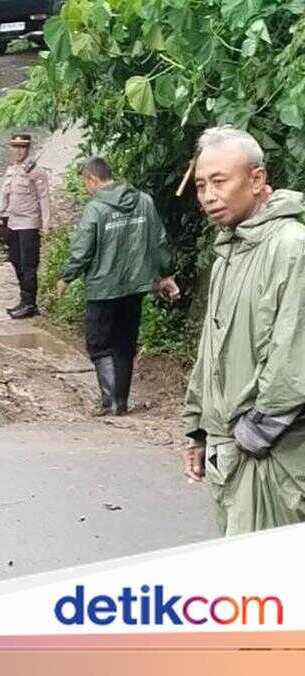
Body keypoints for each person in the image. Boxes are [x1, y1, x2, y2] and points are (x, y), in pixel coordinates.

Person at [180, 126, 305, 535]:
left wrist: (254, 434)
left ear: (256, 179)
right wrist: (199, 429)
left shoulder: (291, 247)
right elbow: (211, 350)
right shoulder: (228, 252)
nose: (208, 196)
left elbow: (294, 358)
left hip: (275, 453)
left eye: (219, 181)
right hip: (229, 452)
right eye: (201, 185)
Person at [59, 158, 176, 416]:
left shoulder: (96, 209)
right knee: (125, 343)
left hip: (103, 289)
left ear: (92, 180)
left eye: (86, 183)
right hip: (135, 286)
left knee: (98, 344)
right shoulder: (144, 201)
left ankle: (111, 402)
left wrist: (66, 276)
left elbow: (83, 250)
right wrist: (166, 273)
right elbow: (159, 240)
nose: (87, 189)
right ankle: (119, 402)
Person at [0, 133, 51, 319]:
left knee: (28, 265)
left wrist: (47, 223)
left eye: (22, 147)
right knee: (15, 260)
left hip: (29, 224)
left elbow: (44, 197)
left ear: (28, 149)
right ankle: (24, 300)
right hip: (14, 223)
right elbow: (4, 196)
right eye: (15, 147)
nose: (18, 151)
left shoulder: (36, 171)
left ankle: (30, 304)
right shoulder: (11, 170)